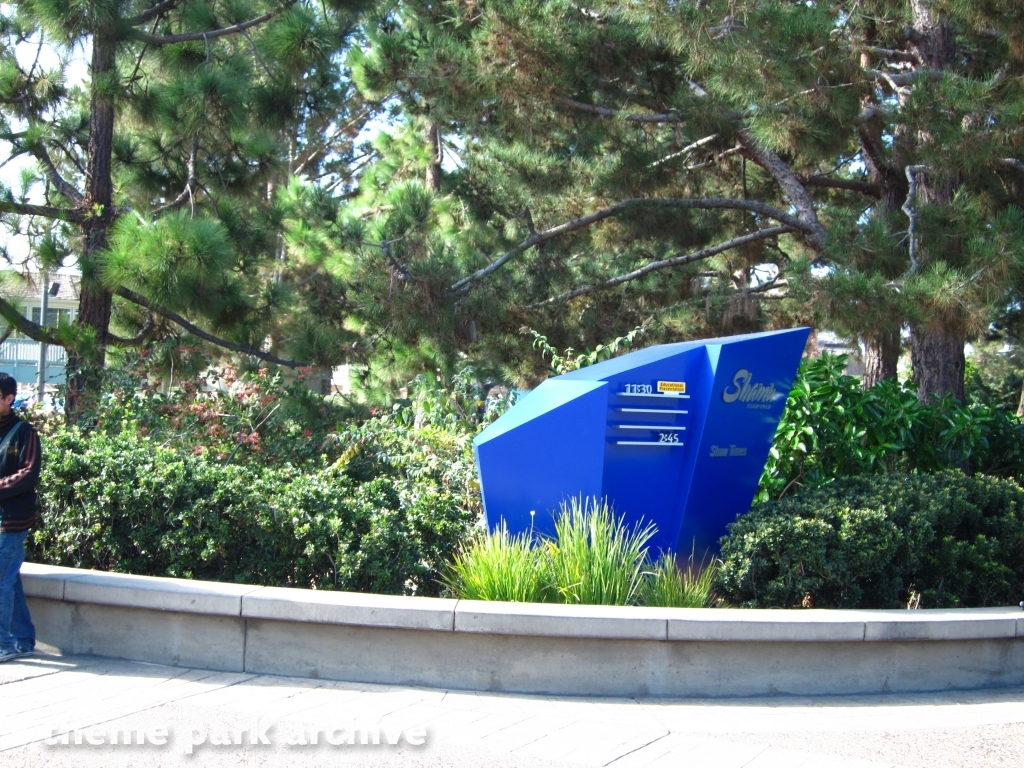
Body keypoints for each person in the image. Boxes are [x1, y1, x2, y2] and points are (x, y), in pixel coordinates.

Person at [0, 373, 41, 663]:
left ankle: (4, 644)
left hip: (12, 520)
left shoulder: (25, 432)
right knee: (8, 580)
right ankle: (23, 639)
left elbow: (29, 474)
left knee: (2, 580)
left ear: (9, 398)